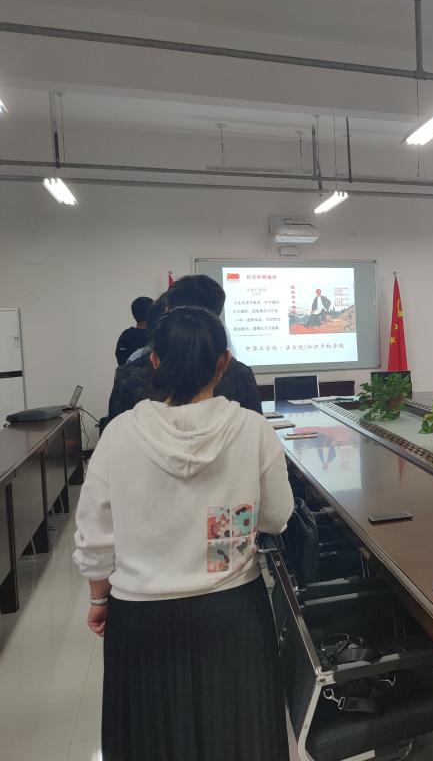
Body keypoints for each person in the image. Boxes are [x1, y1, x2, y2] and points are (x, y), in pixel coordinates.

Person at [74, 306, 293, 761]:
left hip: (140, 617)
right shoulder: (252, 429)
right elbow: (276, 517)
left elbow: (95, 535)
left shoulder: (119, 433)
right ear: (223, 362)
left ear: (155, 361)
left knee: (150, 738)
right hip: (233, 610)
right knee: (238, 737)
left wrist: (99, 599)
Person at [105, 276, 262, 427]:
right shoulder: (239, 374)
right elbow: (254, 433)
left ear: (167, 312)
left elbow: (116, 435)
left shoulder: (130, 377)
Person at [114, 296, 153, 366]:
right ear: (151, 313)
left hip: (128, 372)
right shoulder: (156, 335)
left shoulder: (125, 336)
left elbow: (121, 361)